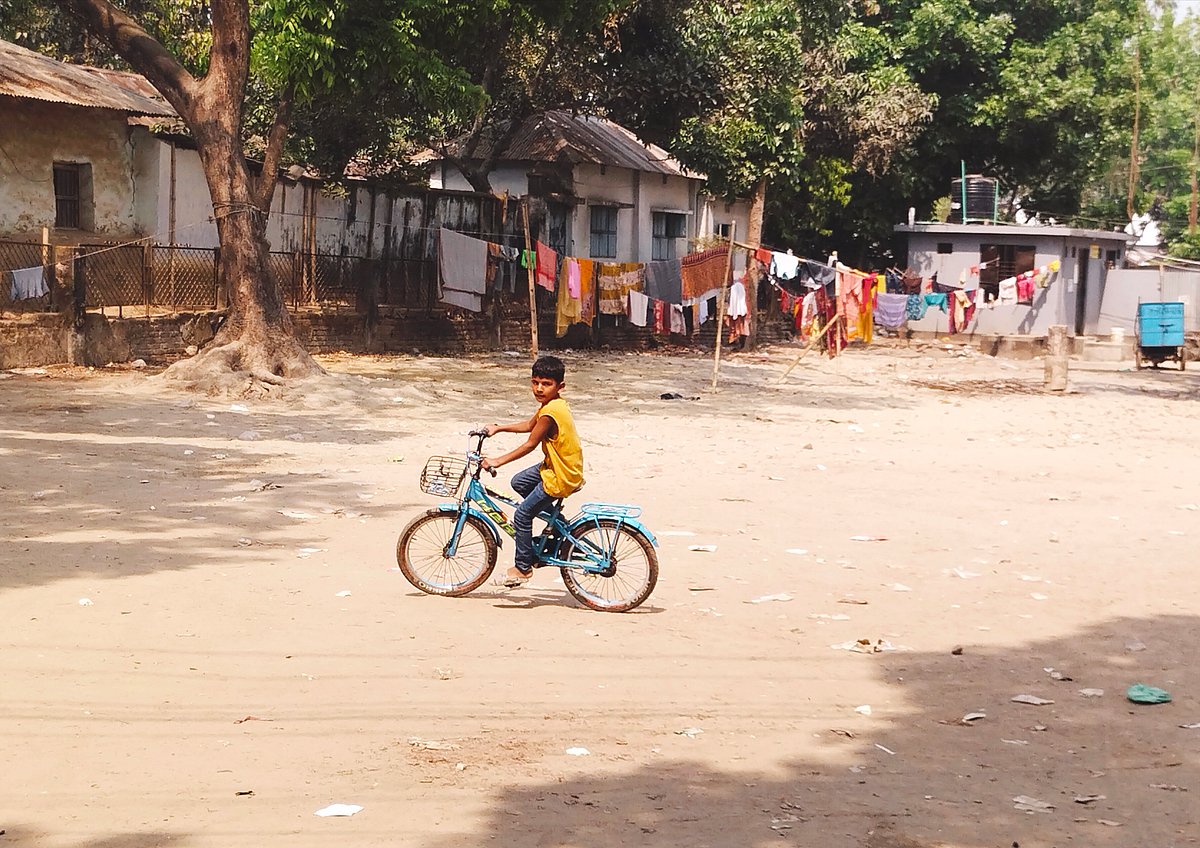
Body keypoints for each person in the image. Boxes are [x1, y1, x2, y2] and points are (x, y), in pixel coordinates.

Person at [480, 355, 584, 587]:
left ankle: (523, 568)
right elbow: (529, 425)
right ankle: (558, 525)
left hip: (561, 475)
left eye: (546, 384)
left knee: (522, 515)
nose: (539, 388)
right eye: (535, 382)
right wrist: (499, 428)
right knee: (519, 482)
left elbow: (530, 444)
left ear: (560, 386)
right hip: (559, 466)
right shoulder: (552, 405)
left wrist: (497, 461)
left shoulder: (550, 413)